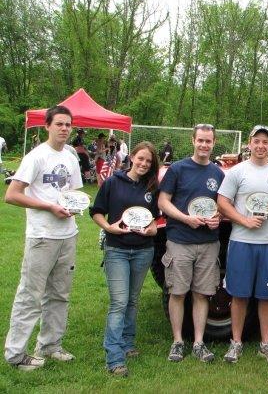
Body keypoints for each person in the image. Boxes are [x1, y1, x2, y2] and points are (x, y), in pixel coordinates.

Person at [4, 105, 83, 371]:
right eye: (59, 124)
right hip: (42, 236)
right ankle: (16, 354)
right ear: (47, 126)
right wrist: (49, 207)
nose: (64, 129)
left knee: (59, 294)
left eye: (68, 125)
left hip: (67, 234)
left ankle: (50, 346)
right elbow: (12, 195)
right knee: (30, 295)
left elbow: (73, 192)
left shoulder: (71, 157)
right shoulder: (36, 156)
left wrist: (72, 206)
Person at [217, 125, 268, 364]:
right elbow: (222, 202)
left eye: (265, 142)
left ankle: (266, 343)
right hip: (242, 241)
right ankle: (236, 343)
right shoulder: (237, 171)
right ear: (249, 144)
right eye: (257, 141)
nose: (261, 146)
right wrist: (243, 220)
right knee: (239, 295)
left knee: (267, 295)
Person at [90, 142, 160, 377]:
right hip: (117, 249)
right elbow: (96, 211)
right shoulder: (113, 182)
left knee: (132, 300)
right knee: (119, 302)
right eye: (141, 159)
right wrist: (108, 227)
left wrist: (152, 230)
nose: (143, 164)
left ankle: (128, 343)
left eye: (148, 161)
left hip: (143, 250)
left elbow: (154, 219)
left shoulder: (152, 186)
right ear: (131, 157)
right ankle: (114, 356)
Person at [158, 124, 224, 363]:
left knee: (202, 294)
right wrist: (186, 218)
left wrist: (219, 219)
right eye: (200, 140)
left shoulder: (219, 174)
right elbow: (163, 201)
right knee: (177, 292)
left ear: (214, 143)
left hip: (208, 243)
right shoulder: (177, 169)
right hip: (180, 240)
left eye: (208, 141)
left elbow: (223, 207)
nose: (204, 145)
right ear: (192, 141)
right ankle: (177, 342)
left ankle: (198, 342)